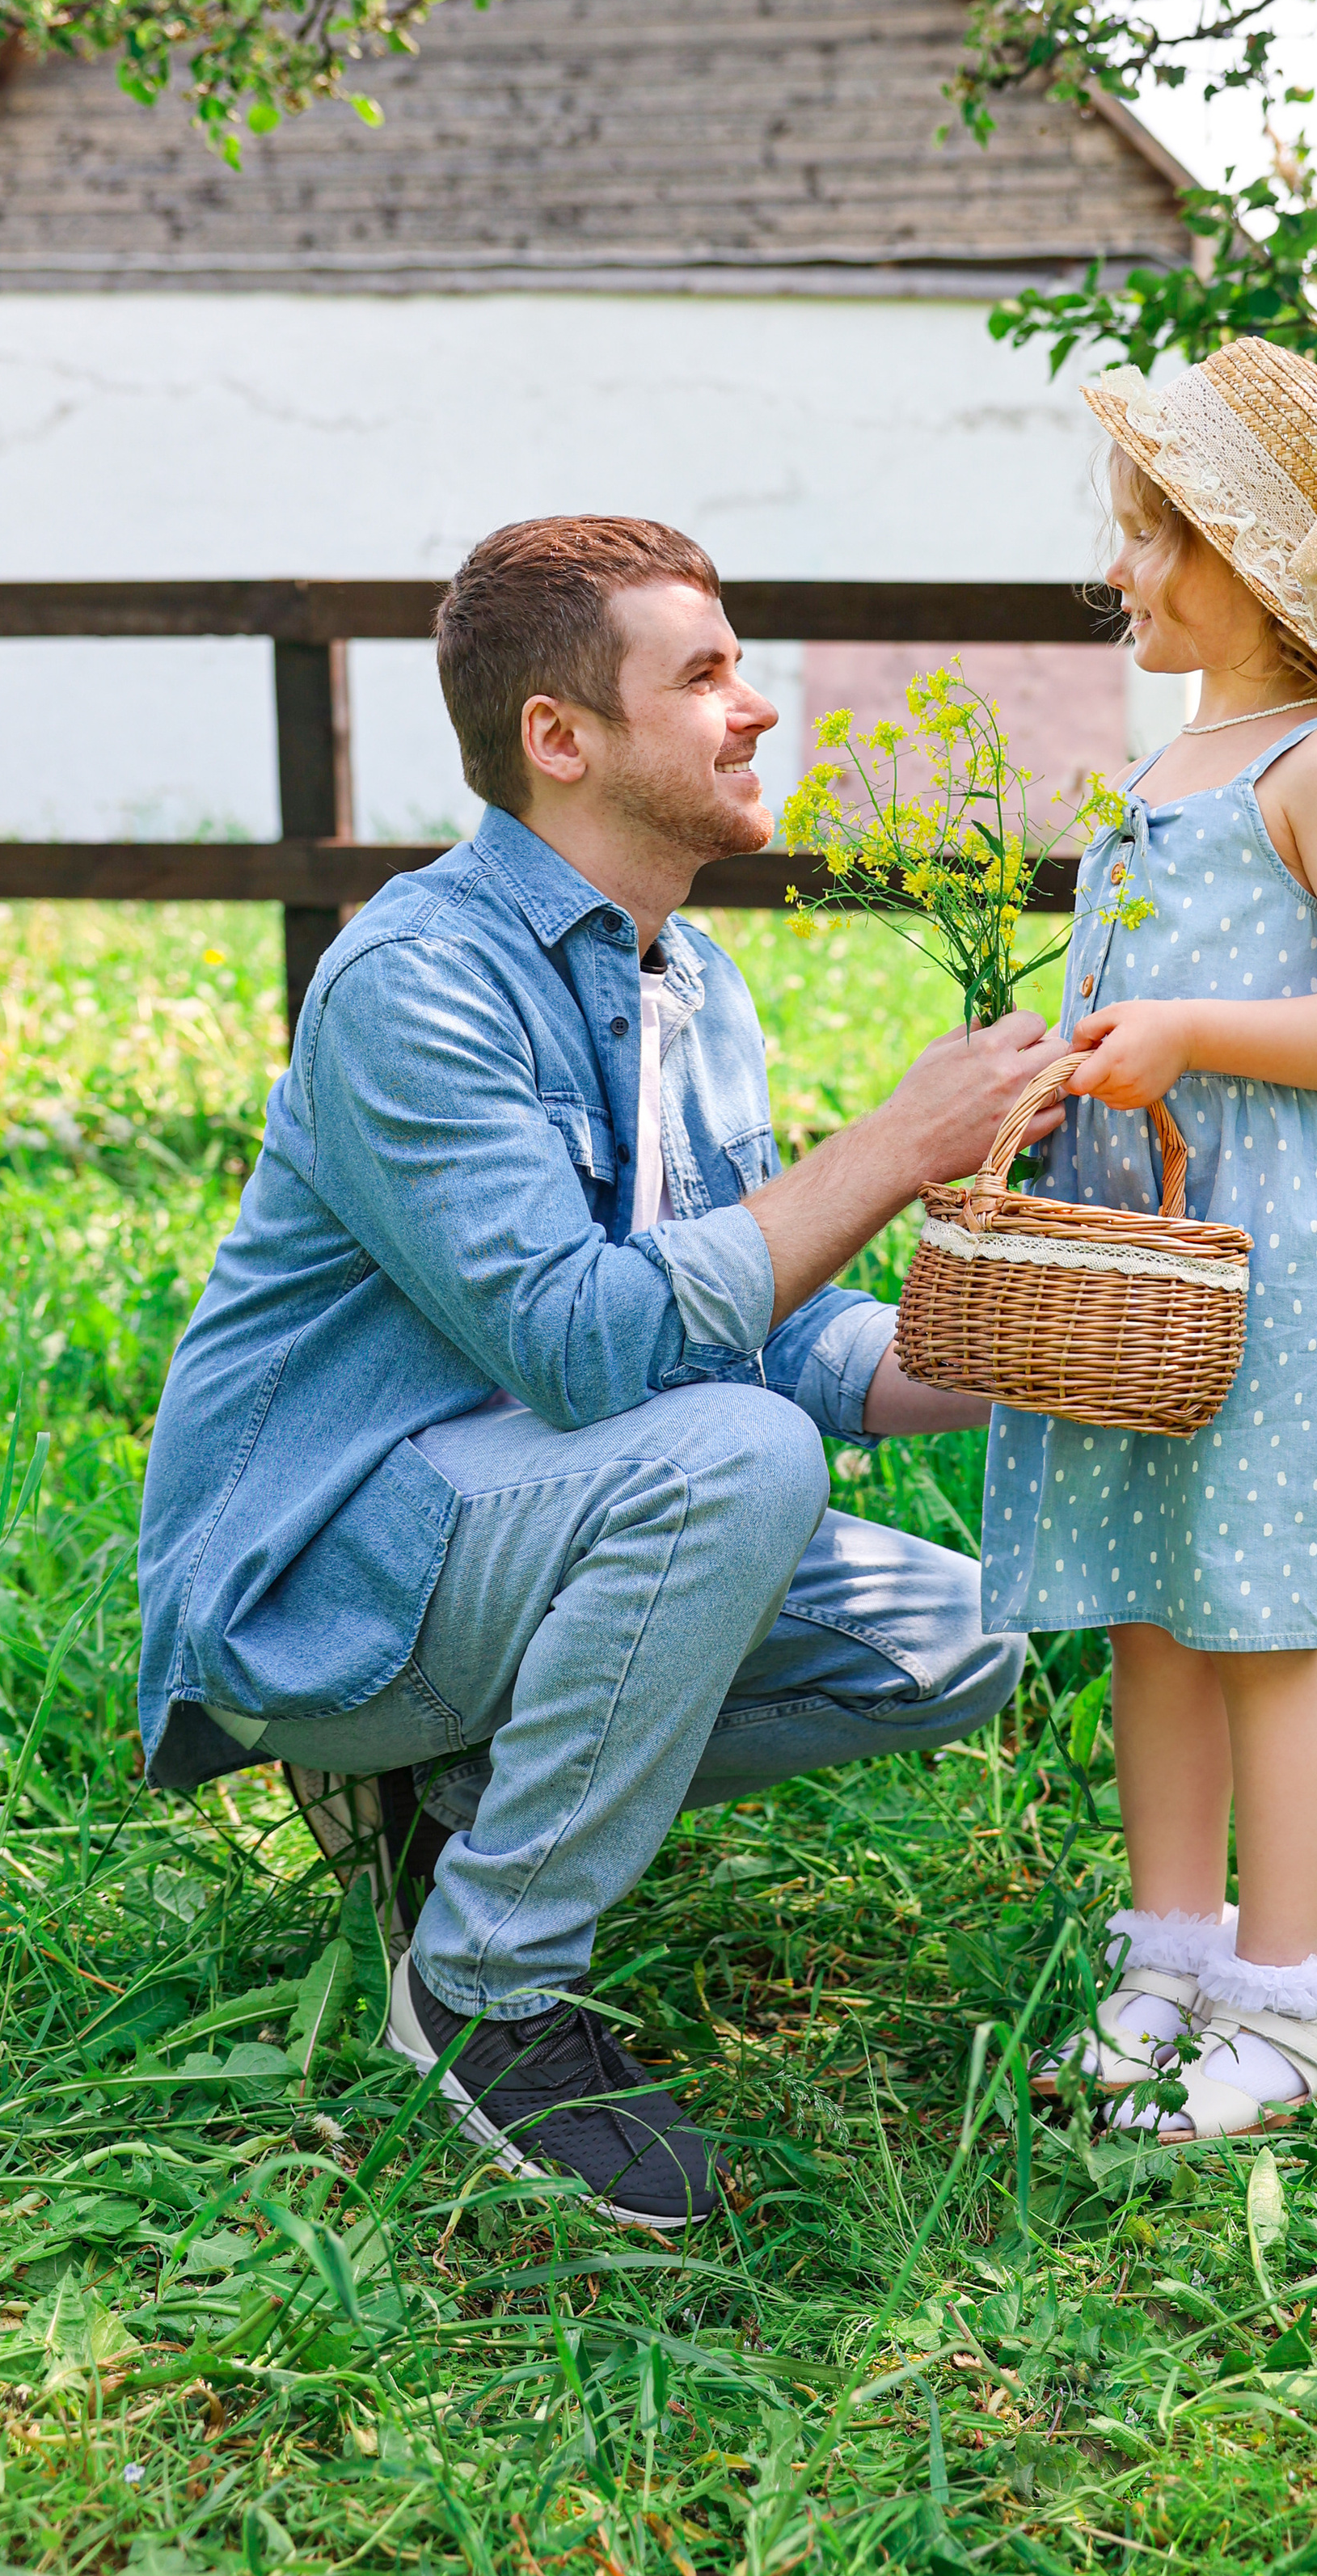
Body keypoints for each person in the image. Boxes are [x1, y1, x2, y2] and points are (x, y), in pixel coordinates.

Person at [137, 514, 1064, 2228]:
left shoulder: (692, 987)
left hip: (526, 1538)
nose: (755, 708)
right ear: (559, 740)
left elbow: (764, 1331)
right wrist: (884, 1152)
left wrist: (1036, 1360)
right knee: (728, 1457)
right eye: (701, 673)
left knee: (960, 1635)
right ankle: (484, 1992)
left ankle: (446, 1803)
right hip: (323, 1582)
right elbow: (580, 1345)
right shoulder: (416, 981)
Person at [986, 338, 1317, 2141]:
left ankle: (1289, 2010)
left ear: (1247, 564)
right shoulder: (1180, 751)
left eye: (1146, 539)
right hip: (1146, 1232)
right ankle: (1169, 1957)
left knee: (1260, 1618)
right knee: (1148, 1611)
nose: (1119, 573)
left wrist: (1193, 1035)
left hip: (1273, 1236)